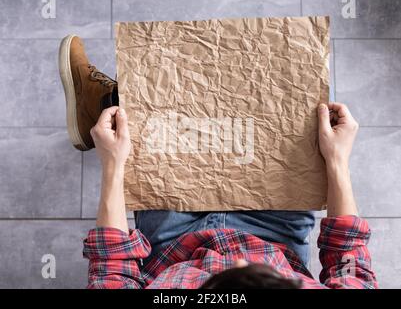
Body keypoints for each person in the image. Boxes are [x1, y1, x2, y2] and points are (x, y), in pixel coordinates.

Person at [59, 35, 378, 289]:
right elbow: (348, 259)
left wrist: (113, 164)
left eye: (218, 286)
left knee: (160, 99)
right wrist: (337, 160)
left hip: (172, 239)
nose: (237, 262)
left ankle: (105, 105)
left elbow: (114, 269)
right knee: (306, 100)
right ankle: (111, 103)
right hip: (275, 231)